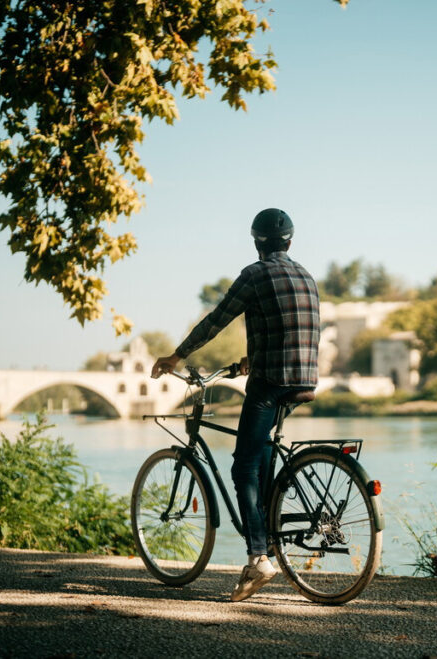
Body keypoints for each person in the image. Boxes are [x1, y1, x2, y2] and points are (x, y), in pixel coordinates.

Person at [150, 208, 320, 602]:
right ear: (290, 243)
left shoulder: (255, 274)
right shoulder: (306, 276)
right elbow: (284, 325)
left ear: (257, 242)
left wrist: (178, 355)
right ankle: (270, 532)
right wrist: (251, 358)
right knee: (259, 456)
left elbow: (217, 319)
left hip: (270, 382)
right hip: (305, 378)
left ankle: (259, 556)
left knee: (242, 464)